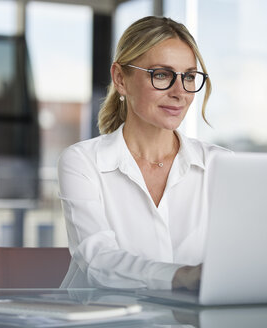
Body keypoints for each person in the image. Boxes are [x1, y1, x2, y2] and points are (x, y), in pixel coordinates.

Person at [58, 16, 229, 291]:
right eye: (161, 75)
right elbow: (99, 261)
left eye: (188, 77)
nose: (180, 93)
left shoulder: (220, 165)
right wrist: (181, 276)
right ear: (120, 79)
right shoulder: (82, 162)